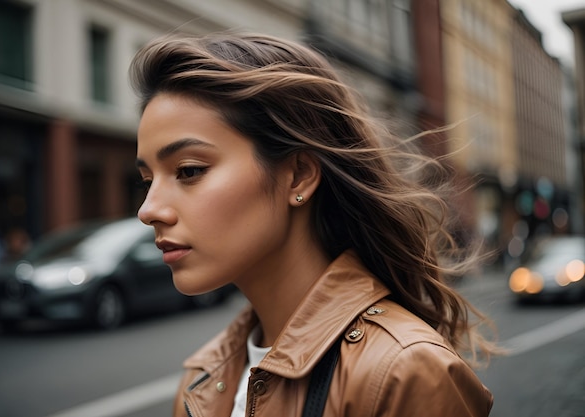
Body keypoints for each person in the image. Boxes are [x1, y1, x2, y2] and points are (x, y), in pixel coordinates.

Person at [130, 32, 495, 417]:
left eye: (189, 171)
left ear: (299, 175)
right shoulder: (200, 379)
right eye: (148, 181)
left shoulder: (403, 372)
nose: (149, 209)